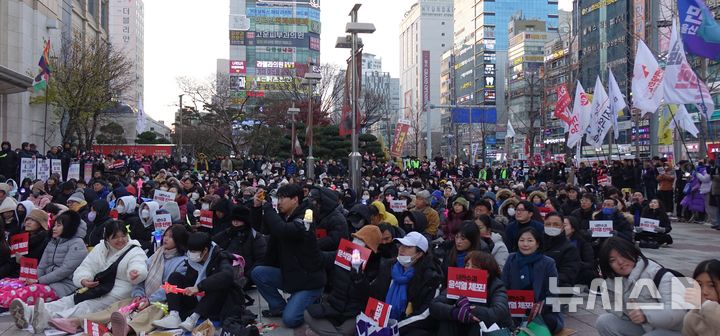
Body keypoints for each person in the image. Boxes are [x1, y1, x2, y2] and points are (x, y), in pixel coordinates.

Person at [47, 225, 189, 336]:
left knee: (153, 311)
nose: (166, 239)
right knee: (116, 307)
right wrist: (138, 295)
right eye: (166, 235)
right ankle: (76, 322)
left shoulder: (182, 262)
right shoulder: (156, 255)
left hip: (162, 301)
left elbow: (169, 287)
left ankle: (125, 329)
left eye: (171, 237)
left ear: (179, 240)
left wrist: (148, 298)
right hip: (141, 296)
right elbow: (142, 279)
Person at [11, 221, 148, 333]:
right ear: (107, 239)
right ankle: (29, 312)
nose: (121, 240)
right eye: (115, 237)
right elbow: (86, 267)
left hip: (118, 291)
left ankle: (47, 319)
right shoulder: (100, 249)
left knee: (87, 306)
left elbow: (139, 265)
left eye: (123, 236)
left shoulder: (134, 250)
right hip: (97, 286)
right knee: (70, 300)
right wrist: (84, 280)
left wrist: (136, 273)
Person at [250, 184, 326, 328]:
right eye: (278, 198)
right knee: (258, 273)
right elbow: (261, 228)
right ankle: (279, 307)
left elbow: (282, 230)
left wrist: (267, 208)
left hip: (309, 282)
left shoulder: (307, 216)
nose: (279, 202)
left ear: (295, 200)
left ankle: (310, 300)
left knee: (290, 320)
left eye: (282, 198)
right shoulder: (284, 216)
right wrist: (256, 207)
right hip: (290, 275)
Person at [595, 237, 686, 336]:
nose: (620, 262)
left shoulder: (658, 275)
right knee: (604, 322)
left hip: (674, 330)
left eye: (623, 255)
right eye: (613, 260)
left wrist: (646, 314)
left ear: (633, 252)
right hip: (645, 327)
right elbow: (614, 308)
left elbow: (677, 311)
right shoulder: (613, 281)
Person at [304, 225, 383, 336]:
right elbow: (321, 259)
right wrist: (310, 239)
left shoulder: (376, 266)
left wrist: (358, 275)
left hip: (354, 313)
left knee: (346, 330)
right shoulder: (343, 253)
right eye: (357, 239)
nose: (357, 243)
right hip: (334, 307)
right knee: (308, 314)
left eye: (362, 241)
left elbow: (370, 295)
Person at [152, 232, 239, 332]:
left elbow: (227, 275)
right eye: (190, 251)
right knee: (174, 277)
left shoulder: (220, 257)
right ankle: (174, 315)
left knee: (218, 286)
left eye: (194, 251)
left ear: (205, 250)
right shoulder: (192, 260)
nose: (191, 254)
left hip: (213, 304)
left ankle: (193, 319)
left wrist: (199, 286)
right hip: (195, 299)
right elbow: (189, 280)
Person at [430, 251, 514, 335]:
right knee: (447, 321)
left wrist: (470, 309)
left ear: (487, 273)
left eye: (474, 267)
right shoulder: (459, 283)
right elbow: (435, 305)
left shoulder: (496, 286)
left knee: (478, 323)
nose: (468, 269)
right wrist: (456, 312)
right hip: (461, 327)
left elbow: (499, 312)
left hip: (488, 329)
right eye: (467, 265)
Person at [375, 231, 442, 335]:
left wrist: (395, 329)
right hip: (382, 322)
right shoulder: (389, 266)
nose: (401, 249)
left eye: (408, 247)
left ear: (419, 254)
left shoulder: (430, 278)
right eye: (401, 244)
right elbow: (375, 295)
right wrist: (359, 279)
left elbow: (424, 314)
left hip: (408, 327)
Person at [502, 227, 563, 333]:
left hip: (541, 312)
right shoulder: (511, 259)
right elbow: (503, 286)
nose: (525, 244)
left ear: (537, 243)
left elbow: (553, 292)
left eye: (530, 241)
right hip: (514, 309)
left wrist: (538, 310)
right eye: (521, 240)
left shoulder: (548, 263)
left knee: (547, 322)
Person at [212, 205, 267, 284]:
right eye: (234, 219)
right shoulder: (227, 232)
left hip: (244, 275)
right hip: (223, 271)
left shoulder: (255, 237)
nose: (236, 222)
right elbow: (212, 243)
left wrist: (247, 277)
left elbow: (261, 259)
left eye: (239, 220)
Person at [683, 259, 720, 336]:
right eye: (699, 285)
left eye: (711, 285)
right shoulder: (693, 317)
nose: (704, 292)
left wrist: (705, 304)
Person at [542, 212, 581, 287]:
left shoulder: (569, 248)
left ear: (562, 227)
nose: (551, 227)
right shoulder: (536, 243)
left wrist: (544, 279)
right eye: (548, 224)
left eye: (556, 225)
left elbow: (568, 274)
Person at [563, 216, 597, 286]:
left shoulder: (582, 243)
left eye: (564, 225)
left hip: (578, 274)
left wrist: (574, 263)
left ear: (573, 228)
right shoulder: (554, 242)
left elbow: (590, 263)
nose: (561, 228)